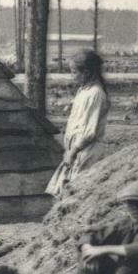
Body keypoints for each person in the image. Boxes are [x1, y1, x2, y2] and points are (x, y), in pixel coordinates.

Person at [47, 48, 111, 197]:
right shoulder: (83, 91)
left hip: (86, 150)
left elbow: (89, 131)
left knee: (77, 191)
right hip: (76, 150)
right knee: (65, 188)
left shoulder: (95, 93)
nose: (72, 76)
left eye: (74, 72)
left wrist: (73, 151)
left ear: (87, 73)